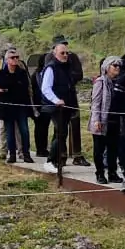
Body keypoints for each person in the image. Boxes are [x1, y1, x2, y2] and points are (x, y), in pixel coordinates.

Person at [40, 38, 86, 174]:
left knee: (60, 133)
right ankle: (50, 161)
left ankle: (55, 162)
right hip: (55, 107)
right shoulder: (51, 68)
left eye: (67, 53)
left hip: (66, 106)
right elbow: (46, 88)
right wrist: (56, 100)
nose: (65, 55)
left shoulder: (67, 66)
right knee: (61, 133)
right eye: (62, 53)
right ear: (55, 54)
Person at [0, 48, 34, 164]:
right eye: (12, 57)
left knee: (24, 130)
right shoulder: (0, 73)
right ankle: (12, 155)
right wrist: (13, 85)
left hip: (21, 106)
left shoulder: (22, 72)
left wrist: (8, 88)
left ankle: (26, 154)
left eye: (17, 57)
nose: (15, 59)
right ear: (7, 60)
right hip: (7, 107)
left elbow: (23, 87)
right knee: (9, 131)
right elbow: (1, 84)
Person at [88, 56, 124, 184]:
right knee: (99, 149)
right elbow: (96, 102)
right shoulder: (100, 82)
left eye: (119, 66)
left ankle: (112, 173)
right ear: (107, 67)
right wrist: (96, 119)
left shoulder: (118, 83)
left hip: (115, 120)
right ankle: (100, 173)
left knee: (113, 148)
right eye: (115, 66)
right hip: (102, 120)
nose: (117, 68)